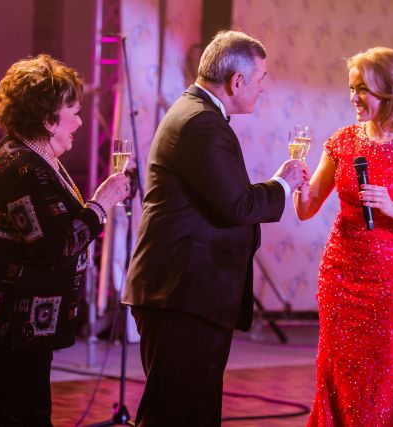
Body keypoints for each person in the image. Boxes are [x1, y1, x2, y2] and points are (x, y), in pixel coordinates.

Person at [123, 30, 307, 426]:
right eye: (261, 78)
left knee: (193, 412)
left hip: (188, 294)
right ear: (237, 81)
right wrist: (284, 183)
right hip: (181, 294)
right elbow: (236, 206)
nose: (264, 87)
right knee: (173, 414)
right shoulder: (200, 123)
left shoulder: (198, 114)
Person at [0, 54, 129, 426]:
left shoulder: (36, 156)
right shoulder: (21, 166)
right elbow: (55, 247)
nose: (80, 122)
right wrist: (102, 203)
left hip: (17, 325)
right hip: (6, 325)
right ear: (48, 120)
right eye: (73, 113)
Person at [294, 47, 393, 426]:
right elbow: (306, 209)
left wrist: (392, 207)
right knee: (336, 368)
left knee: (383, 373)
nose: (354, 98)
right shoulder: (342, 142)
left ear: (392, 91)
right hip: (341, 276)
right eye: (351, 88)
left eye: (363, 89)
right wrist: (297, 180)